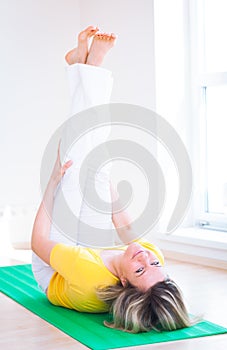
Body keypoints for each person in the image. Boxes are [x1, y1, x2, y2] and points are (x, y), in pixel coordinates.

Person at [31, 26, 197, 333]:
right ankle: (79, 66)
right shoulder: (149, 259)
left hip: (52, 270)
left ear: (122, 281)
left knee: (73, 161)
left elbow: (38, 243)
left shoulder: (87, 274)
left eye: (139, 268)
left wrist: (52, 183)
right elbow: (127, 230)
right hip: (91, 251)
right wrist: (104, 177)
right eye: (155, 265)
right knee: (92, 160)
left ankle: (87, 68)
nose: (147, 258)